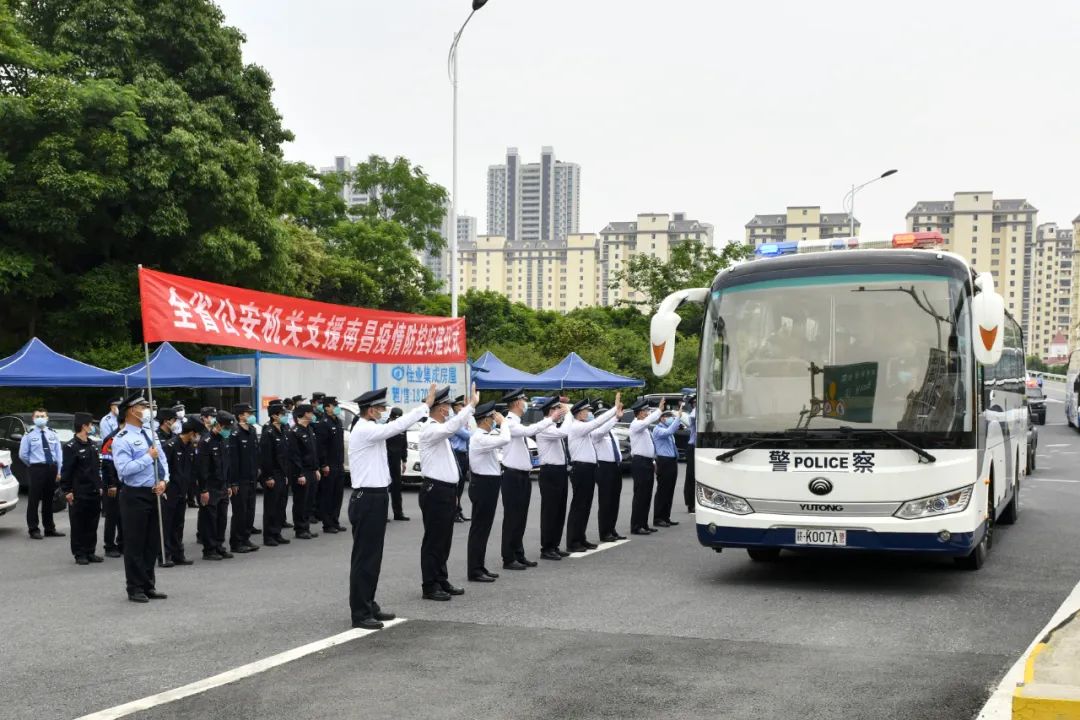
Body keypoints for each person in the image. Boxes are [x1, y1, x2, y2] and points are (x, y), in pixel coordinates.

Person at [347, 384, 434, 629]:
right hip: (367, 499)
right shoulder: (364, 429)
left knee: (373, 556)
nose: (385, 411)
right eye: (381, 408)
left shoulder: (370, 428)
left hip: (375, 497)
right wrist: (424, 407)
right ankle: (360, 612)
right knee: (365, 557)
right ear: (371, 410)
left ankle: (368, 603)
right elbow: (396, 426)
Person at [418, 386, 477, 601]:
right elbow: (453, 426)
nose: (449, 411)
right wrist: (470, 407)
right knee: (434, 540)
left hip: (445, 490)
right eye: (447, 407)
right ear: (441, 409)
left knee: (444, 539)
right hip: (435, 490)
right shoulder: (431, 429)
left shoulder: (439, 429)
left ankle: (441, 579)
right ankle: (430, 585)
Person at [110, 392, 169, 602]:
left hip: (155, 492)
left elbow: (162, 459)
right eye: (142, 406)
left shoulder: (149, 432)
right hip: (134, 495)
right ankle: (134, 588)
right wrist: (146, 457)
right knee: (135, 543)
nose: (146, 409)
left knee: (151, 543)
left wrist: (164, 480)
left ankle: (148, 584)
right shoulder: (121, 439)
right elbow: (124, 470)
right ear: (130, 411)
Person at [499, 388, 565, 570]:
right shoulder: (510, 422)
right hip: (512, 475)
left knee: (520, 518)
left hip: (522, 476)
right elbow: (530, 430)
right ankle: (508, 557)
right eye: (523, 400)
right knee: (512, 518)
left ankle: (519, 554)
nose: (525, 403)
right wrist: (550, 419)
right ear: (516, 403)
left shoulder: (516, 422)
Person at [565, 396, 621, 553]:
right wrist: (613, 410)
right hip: (581, 469)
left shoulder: (583, 427)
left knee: (585, 506)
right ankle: (573, 541)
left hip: (588, 469)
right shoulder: (577, 427)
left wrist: (615, 417)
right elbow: (597, 423)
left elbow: (602, 429)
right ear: (578, 413)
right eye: (586, 411)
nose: (588, 413)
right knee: (579, 506)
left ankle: (580, 538)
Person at [466, 402, 508, 582]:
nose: (494, 420)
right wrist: (503, 422)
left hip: (488, 483)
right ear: (485, 420)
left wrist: (500, 424)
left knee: (484, 528)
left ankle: (479, 566)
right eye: (492, 418)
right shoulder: (479, 437)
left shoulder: (484, 435)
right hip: (483, 484)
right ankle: (474, 570)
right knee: (479, 528)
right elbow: (505, 439)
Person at [60, 412, 102, 565]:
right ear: (84, 426)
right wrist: (67, 490)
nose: (92, 427)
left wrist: (100, 486)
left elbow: (96, 468)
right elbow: (67, 470)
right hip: (79, 491)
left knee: (92, 523)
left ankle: (90, 551)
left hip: (93, 491)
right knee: (79, 524)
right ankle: (80, 553)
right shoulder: (71, 447)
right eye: (90, 424)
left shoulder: (91, 444)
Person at [534, 397, 571, 560]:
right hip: (550, 471)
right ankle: (547, 548)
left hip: (560, 470)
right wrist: (569, 414)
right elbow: (564, 432)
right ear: (551, 411)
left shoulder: (552, 426)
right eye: (558, 409)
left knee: (560, 510)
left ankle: (554, 545)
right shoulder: (545, 427)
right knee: (550, 511)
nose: (561, 412)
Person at [20, 407, 64, 540]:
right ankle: (33, 529)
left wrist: (59, 470)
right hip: (37, 468)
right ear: (33, 419)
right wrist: (33, 465)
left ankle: (49, 528)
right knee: (34, 500)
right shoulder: (29, 435)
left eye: (42, 416)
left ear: (47, 418)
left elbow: (59, 453)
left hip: (51, 468)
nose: (40, 418)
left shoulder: (53, 434)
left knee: (49, 499)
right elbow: (23, 455)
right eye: (37, 416)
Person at [197, 410, 235, 561]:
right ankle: (209, 549)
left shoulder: (223, 440)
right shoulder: (205, 442)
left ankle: (219, 546)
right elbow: (202, 469)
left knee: (221, 518)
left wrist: (228, 485)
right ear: (218, 425)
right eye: (226, 427)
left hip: (222, 486)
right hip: (210, 487)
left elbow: (226, 465)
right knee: (210, 520)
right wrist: (203, 489)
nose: (228, 431)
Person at [161, 418, 200, 567]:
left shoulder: (190, 447)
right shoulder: (170, 445)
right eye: (196, 434)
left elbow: (191, 470)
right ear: (191, 433)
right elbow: (163, 469)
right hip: (169, 491)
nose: (197, 437)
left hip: (182, 491)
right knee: (167, 524)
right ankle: (165, 555)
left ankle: (178, 554)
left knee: (178, 524)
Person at [590, 400, 625, 543]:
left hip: (615, 467)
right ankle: (604, 532)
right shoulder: (596, 432)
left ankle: (612, 529)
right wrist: (615, 417)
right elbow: (601, 430)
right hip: (604, 467)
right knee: (606, 501)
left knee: (614, 500)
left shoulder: (611, 432)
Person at [228, 403, 260, 554]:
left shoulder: (252, 430)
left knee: (250, 510)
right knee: (240, 511)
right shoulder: (235, 433)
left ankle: (246, 537)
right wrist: (233, 482)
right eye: (248, 413)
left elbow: (255, 454)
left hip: (252, 477)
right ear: (240, 415)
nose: (251, 415)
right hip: (240, 480)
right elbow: (233, 461)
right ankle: (236, 542)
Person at [629, 398, 664, 535]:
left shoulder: (643, 427)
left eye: (648, 411)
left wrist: (653, 462)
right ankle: (636, 526)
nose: (647, 413)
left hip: (647, 462)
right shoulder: (636, 425)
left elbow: (648, 447)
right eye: (645, 411)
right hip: (640, 463)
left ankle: (644, 523)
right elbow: (648, 421)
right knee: (640, 495)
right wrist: (659, 410)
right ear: (638, 413)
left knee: (647, 495)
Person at [260, 401, 291, 547]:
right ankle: (269, 536)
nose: (285, 416)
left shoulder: (284, 430)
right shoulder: (268, 433)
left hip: (283, 473)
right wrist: (268, 476)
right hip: (273, 474)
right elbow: (266, 458)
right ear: (274, 416)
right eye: (282, 414)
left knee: (280, 505)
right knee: (271, 507)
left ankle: (277, 532)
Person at [287, 403, 320, 539]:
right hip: (302, 472)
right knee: (301, 501)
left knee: (309, 501)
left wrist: (316, 468)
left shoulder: (309, 429)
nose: (312, 414)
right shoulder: (295, 432)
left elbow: (313, 452)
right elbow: (295, 456)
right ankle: (300, 529)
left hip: (311, 470)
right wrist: (299, 474)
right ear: (304, 414)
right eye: (310, 412)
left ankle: (306, 526)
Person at [316, 396, 347, 534]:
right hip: (329, 465)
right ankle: (327, 524)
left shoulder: (338, 421)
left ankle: (335, 520)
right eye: (334, 405)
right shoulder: (323, 423)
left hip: (339, 463)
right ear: (327, 407)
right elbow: (321, 446)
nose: (336, 407)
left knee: (338, 494)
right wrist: (324, 464)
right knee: (328, 495)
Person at [651, 405, 684, 528]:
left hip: (671, 461)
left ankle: (666, 517)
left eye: (672, 416)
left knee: (670, 490)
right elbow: (669, 431)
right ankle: (658, 518)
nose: (671, 418)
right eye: (668, 416)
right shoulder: (658, 429)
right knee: (663, 490)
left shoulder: (668, 429)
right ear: (662, 418)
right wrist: (678, 418)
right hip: (664, 462)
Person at [100, 422, 124, 557]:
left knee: (123, 515)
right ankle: (109, 545)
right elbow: (108, 464)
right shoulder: (111, 438)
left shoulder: (125, 436)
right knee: (112, 515)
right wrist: (111, 484)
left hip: (123, 481)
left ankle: (122, 543)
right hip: (113, 483)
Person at [384, 407, 410, 521]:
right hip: (385, 461)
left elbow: (404, 444)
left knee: (396, 487)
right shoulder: (384, 428)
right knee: (384, 487)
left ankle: (398, 513)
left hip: (396, 461)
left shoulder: (402, 428)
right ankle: (383, 514)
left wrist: (404, 460)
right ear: (391, 417)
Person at [683, 396, 697, 514]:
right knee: (691, 476)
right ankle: (690, 503)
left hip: (700, 447)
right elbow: (694, 415)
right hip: (693, 447)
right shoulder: (694, 413)